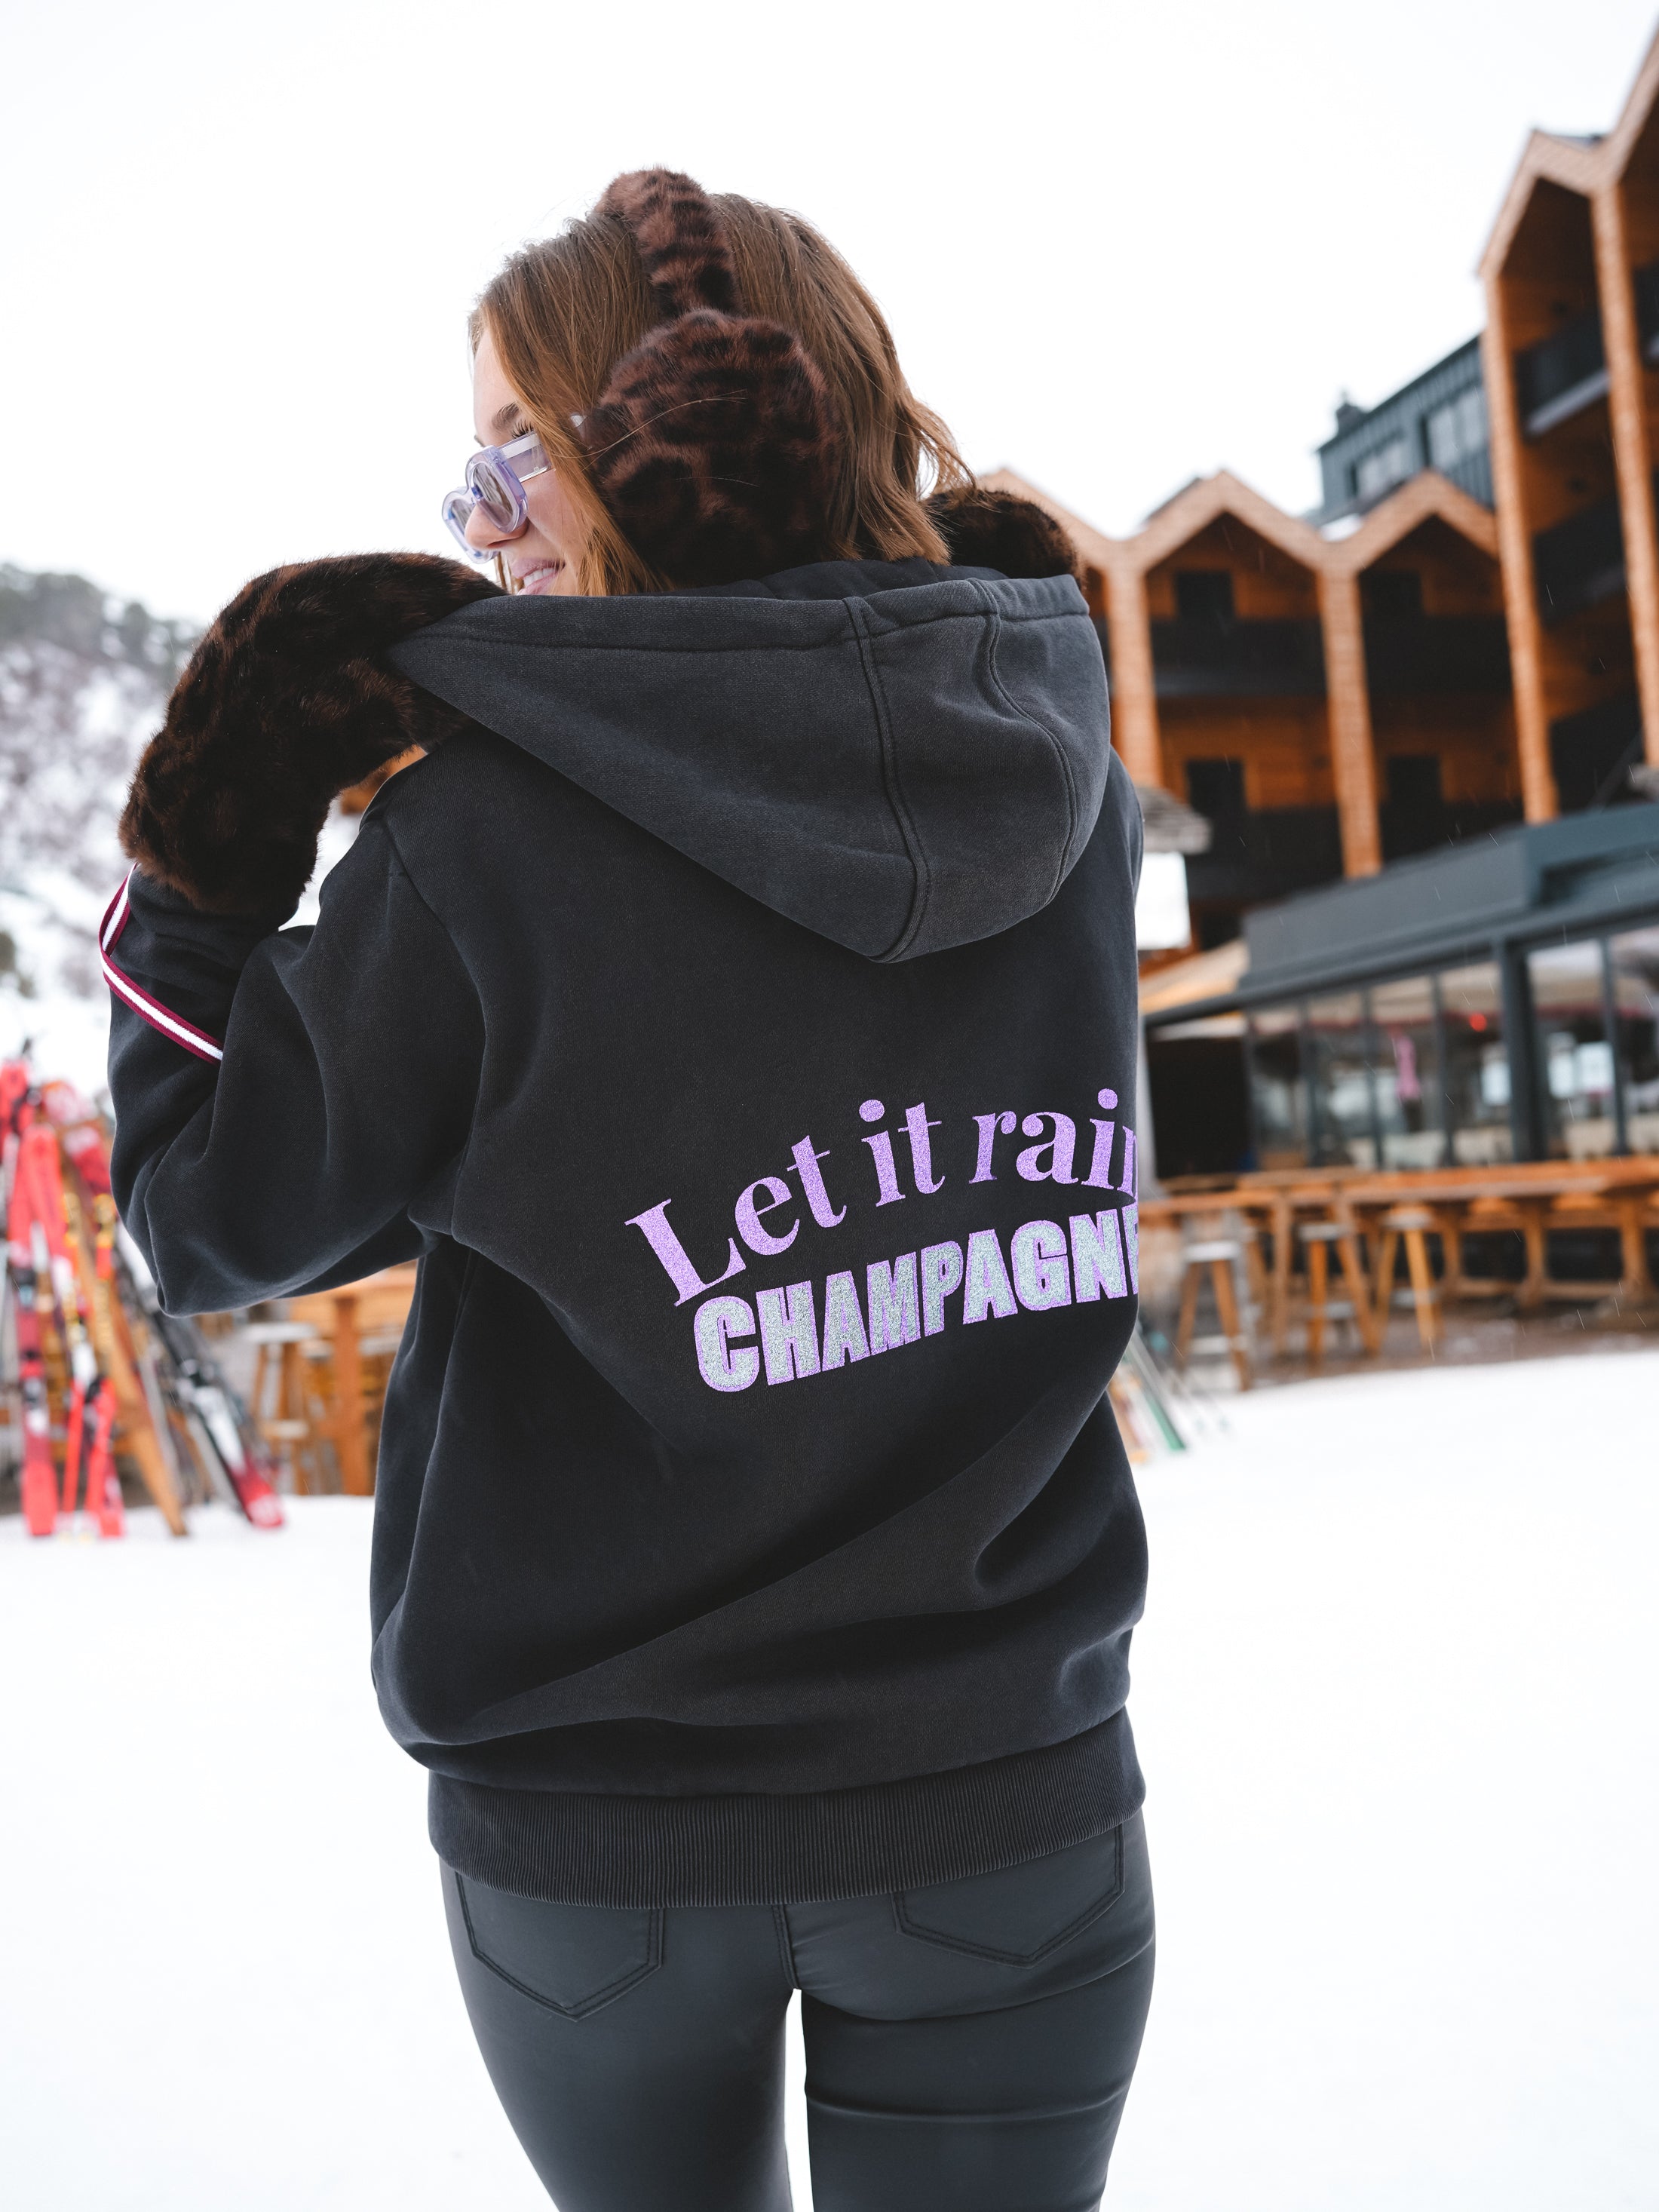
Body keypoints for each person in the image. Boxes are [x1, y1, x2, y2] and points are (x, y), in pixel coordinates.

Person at [106, 170, 1153, 2211]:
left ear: (674, 443)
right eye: (469, 474)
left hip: (603, 1852)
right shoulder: (1062, 783)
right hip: (1006, 1802)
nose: (480, 524)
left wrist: (211, 855)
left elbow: (207, 1220)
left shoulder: (480, 846)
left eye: (514, 454)